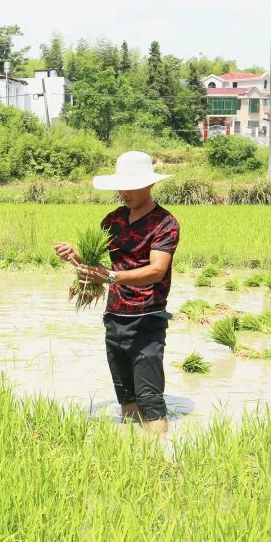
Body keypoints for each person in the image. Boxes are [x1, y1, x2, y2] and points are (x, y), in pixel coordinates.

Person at [54, 150, 180, 435]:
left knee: (150, 402)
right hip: (114, 318)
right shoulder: (113, 220)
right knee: (127, 400)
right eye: (121, 186)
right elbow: (95, 267)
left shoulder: (165, 223)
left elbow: (156, 270)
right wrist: (75, 257)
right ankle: (130, 454)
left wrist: (112, 276)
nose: (124, 192)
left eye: (132, 186)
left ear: (150, 185)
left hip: (147, 319)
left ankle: (160, 460)